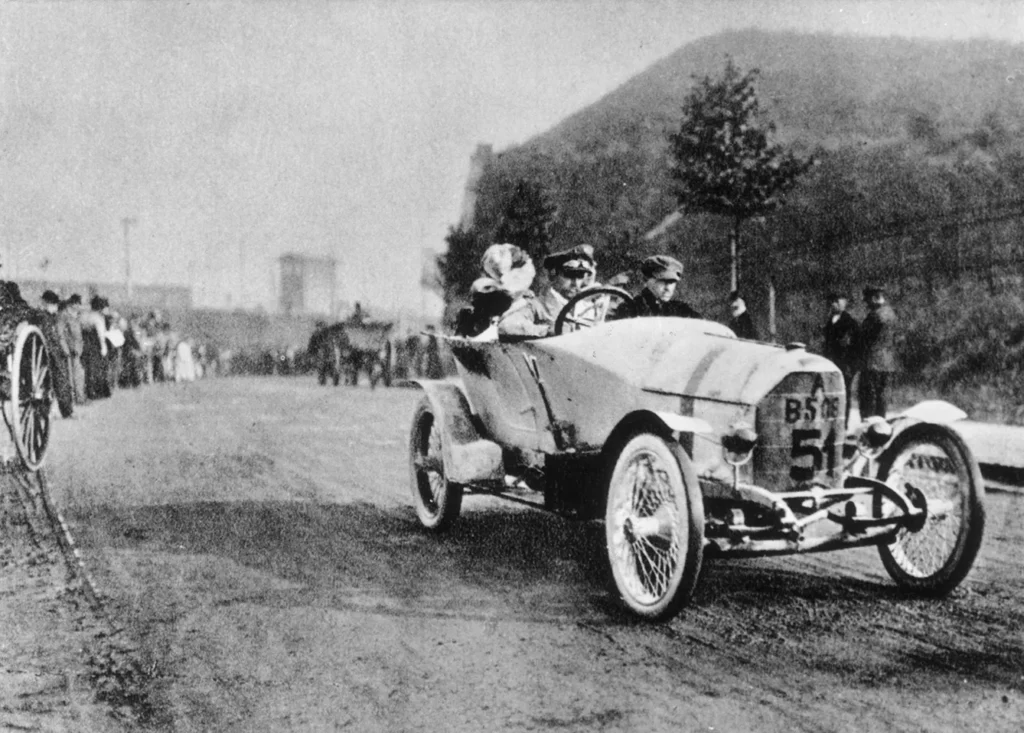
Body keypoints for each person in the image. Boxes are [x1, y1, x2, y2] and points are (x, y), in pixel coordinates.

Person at [856, 285, 897, 420]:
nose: (866, 304)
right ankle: (880, 430)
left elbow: (863, 337)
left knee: (868, 400)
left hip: (871, 363)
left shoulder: (875, 316)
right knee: (882, 400)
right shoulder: (891, 314)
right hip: (887, 363)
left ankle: (868, 430)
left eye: (867, 300)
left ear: (874, 298)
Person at [822, 292, 859, 423]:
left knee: (844, 394)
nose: (835, 304)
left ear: (845, 303)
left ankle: (843, 422)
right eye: (832, 301)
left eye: (838, 301)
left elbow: (857, 347)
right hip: (830, 363)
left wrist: (852, 366)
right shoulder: (829, 321)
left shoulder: (851, 323)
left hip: (845, 365)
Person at [39, 290, 74, 417]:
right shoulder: (44, 317)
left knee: (55, 382)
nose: (55, 307)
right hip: (51, 354)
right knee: (61, 380)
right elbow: (49, 338)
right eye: (53, 304)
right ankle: (65, 410)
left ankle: (53, 410)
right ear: (45, 304)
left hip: (51, 353)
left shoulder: (51, 317)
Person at [632, 255, 702, 318]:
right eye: (663, 281)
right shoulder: (632, 308)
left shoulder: (681, 310)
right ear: (646, 279)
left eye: (672, 282)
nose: (668, 288)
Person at [59, 294, 87, 405]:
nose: (80, 306)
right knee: (70, 377)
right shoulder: (64, 315)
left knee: (79, 375)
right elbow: (60, 333)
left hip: (76, 350)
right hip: (68, 351)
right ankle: (72, 400)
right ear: (74, 304)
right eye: (79, 304)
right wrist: (65, 348)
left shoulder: (76, 316)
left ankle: (80, 398)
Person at [81, 295, 110, 399]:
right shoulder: (98, 318)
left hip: (86, 345)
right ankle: (97, 392)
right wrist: (103, 347)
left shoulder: (85, 316)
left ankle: (90, 392)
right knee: (97, 370)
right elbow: (100, 335)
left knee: (89, 370)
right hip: (96, 346)